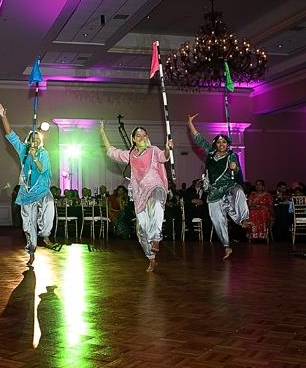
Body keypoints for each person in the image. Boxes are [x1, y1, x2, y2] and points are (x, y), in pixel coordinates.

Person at [100, 121, 172, 272]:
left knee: (158, 205)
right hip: (139, 193)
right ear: (133, 139)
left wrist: (167, 149)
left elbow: (163, 157)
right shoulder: (130, 155)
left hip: (155, 185)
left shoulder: (153, 150)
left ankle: (156, 237)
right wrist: (102, 132)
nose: (141, 137)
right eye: (138, 135)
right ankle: (151, 258)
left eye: (144, 135)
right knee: (142, 230)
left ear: (147, 137)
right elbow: (111, 151)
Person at [0, 103, 55, 267]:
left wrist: (35, 157)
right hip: (27, 193)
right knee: (28, 225)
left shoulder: (44, 154)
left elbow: (44, 171)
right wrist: (3, 117)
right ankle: (31, 251)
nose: (35, 140)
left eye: (38, 138)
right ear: (28, 140)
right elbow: (10, 134)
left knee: (49, 204)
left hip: (42, 190)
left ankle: (45, 233)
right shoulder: (23, 150)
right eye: (32, 138)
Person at [187, 114, 249, 260]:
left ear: (227, 145)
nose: (221, 144)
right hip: (214, 192)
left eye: (224, 142)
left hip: (228, 186)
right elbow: (199, 139)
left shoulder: (231, 156)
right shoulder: (210, 153)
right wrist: (190, 123)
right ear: (215, 144)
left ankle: (244, 219)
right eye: (219, 142)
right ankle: (227, 246)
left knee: (239, 191)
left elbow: (236, 169)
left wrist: (234, 168)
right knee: (217, 220)